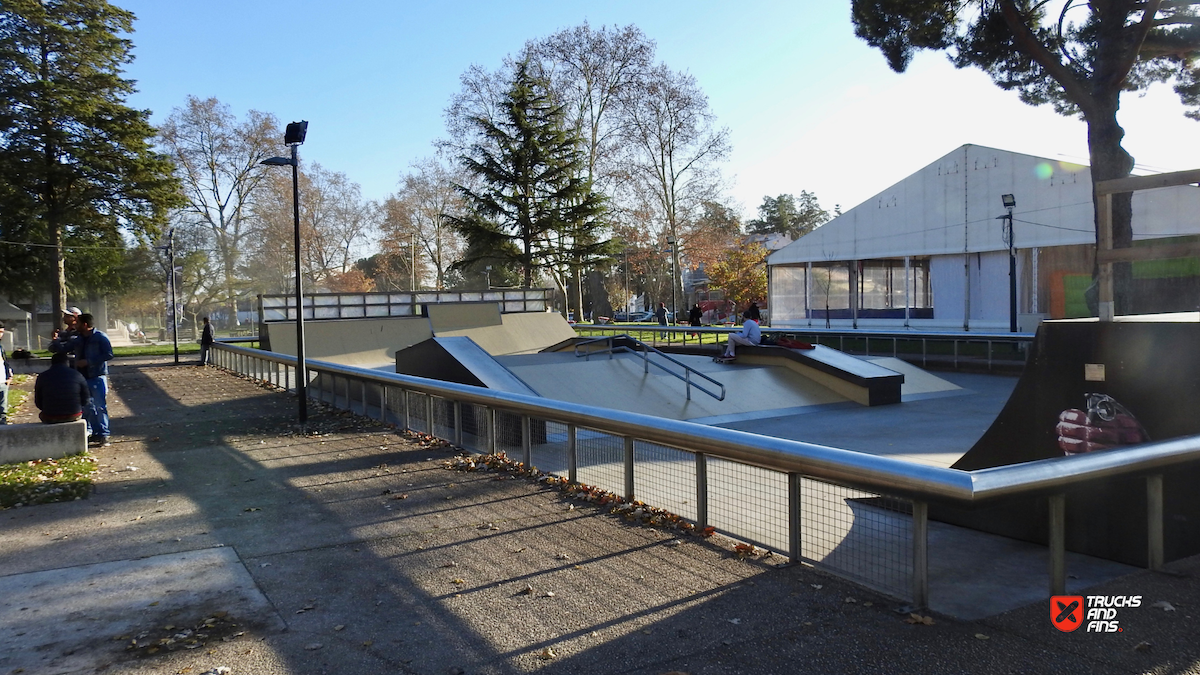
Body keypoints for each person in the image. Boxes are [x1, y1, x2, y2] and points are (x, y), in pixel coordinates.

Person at [71, 313, 114, 446]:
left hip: (96, 376)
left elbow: (108, 354)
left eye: (77, 323)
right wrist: (55, 340)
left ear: (85, 324)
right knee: (88, 407)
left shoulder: (100, 337)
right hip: (82, 377)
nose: (75, 325)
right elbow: (61, 348)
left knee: (100, 406)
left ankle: (104, 434)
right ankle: (95, 433)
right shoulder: (78, 338)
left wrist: (89, 362)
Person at [34, 351, 90, 424]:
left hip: (50, 416)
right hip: (73, 414)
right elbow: (86, 399)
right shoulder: (77, 375)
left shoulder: (42, 376)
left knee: (43, 415)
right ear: (67, 362)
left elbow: (38, 401)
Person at [0, 321, 12, 424]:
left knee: (2, 411)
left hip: (2, 381)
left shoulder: (0, 347)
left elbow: (5, 362)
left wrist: (9, 375)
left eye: (2, 332)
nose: (0, 335)